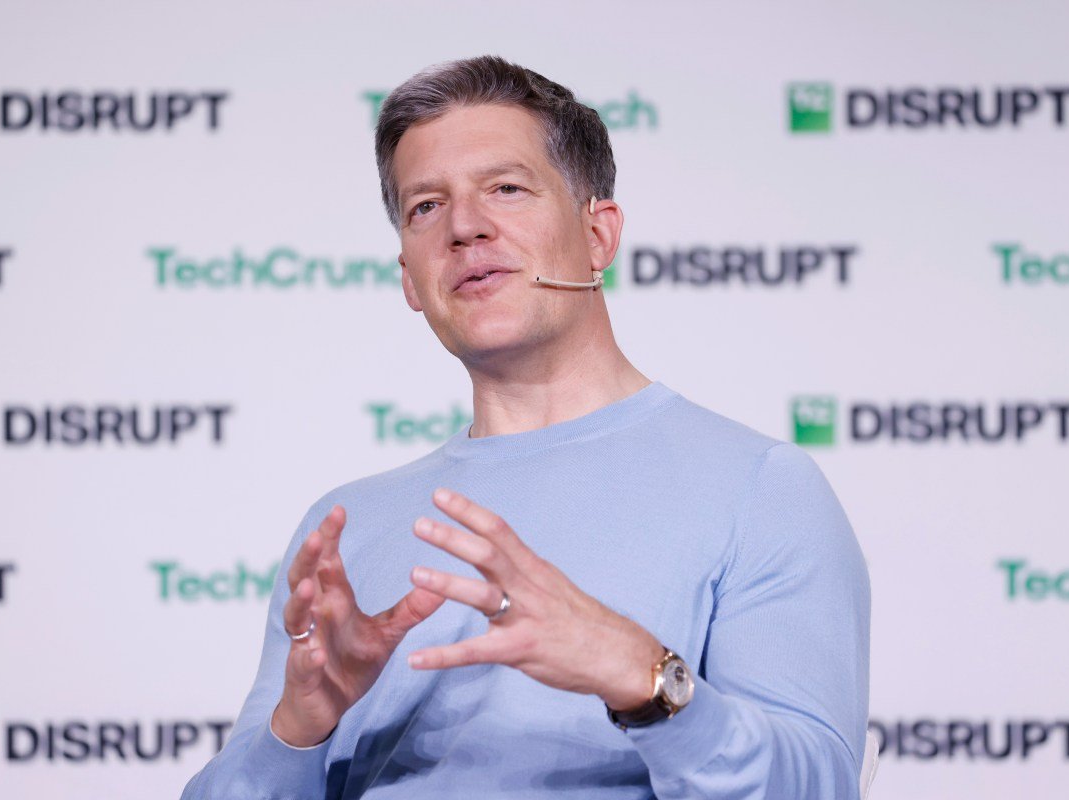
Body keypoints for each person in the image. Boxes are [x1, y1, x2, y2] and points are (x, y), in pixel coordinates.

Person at [181, 54, 870, 799]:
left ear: (598, 235)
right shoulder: (343, 529)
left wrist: (639, 674)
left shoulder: (760, 487)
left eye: (506, 189)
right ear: (410, 278)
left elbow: (816, 787)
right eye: (426, 207)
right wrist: (298, 728)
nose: (464, 227)